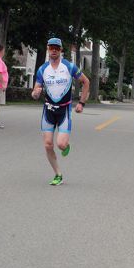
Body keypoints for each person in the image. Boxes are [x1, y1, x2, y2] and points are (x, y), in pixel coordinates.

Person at [32, 37, 90, 185]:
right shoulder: (42, 69)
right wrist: (35, 93)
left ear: (61, 50)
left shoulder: (69, 67)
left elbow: (86, 81)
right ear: (47, 49)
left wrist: (81, 103)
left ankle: (66, 144)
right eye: (51, 48)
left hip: (64, 110)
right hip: (48, 110)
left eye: (57, 48)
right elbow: (36, 90)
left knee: (61, 145)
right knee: (47, 144)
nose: (54, 50)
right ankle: (58, 174)